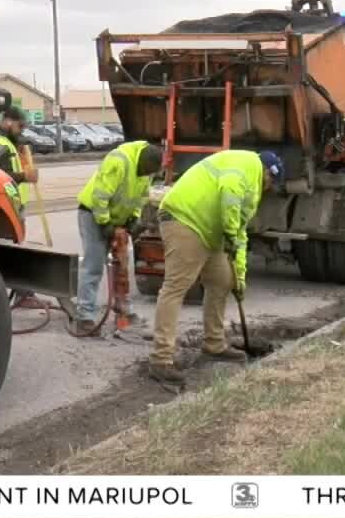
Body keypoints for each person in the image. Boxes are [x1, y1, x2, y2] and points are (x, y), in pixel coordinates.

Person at [147, 149, 284, 384]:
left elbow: (240, 237)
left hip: (210, 232)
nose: (269, 187)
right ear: (268, 172)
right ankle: (161, 360)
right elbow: (228, 196)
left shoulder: (253, 185)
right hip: (184, 219)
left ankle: (214, 344)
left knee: (223, 280)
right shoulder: (247, 166)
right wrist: (230, 233)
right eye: (270, 181)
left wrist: (239, 278)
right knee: (176, 287)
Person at [74, 141, 164, 334]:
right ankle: (83, 318)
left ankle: (123, 311)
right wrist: (105, 224)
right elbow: (100, 197)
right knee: (94, 266)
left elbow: (140, 198)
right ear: (141, 161)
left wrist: (133, 219)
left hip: (116, 218)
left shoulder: (145, 171)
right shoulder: (118, 161)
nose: (146, 175)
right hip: (93, 214)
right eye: (145, 170)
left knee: (122, 266)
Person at [0, 106, 37, 213]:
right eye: (20, 126)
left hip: (7, 203)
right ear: (8, 122)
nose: (21, 130)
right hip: (4, 205)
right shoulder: (0, 144)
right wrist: (25, 176)